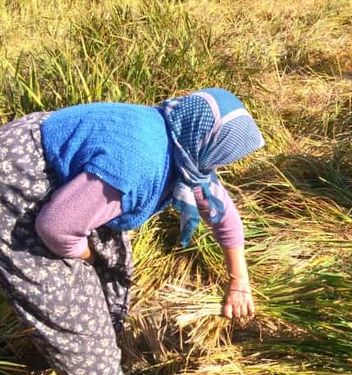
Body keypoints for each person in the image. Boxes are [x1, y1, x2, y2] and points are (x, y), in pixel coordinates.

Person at [0, 88, 264, 373]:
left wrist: (239, 282)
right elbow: (54, 228)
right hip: (17, 185)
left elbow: (222, 215)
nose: (221, 165)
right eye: (222, 155)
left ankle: (74, 337)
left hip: (67, 184)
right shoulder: (139, 164)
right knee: (89, 350)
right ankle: (77, 355)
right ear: (205, 142)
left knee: (114, 271)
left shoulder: (181, 141)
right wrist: (86, 255)